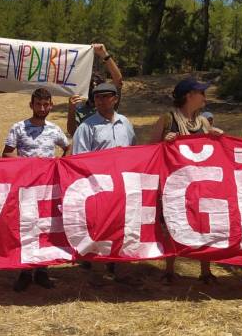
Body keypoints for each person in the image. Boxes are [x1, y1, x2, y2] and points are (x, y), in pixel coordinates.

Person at [148, 77, 223, 285]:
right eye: (201, 93)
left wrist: (219, 139)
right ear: (189, 96)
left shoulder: (204, 122)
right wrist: (164, 143)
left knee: (204, 223)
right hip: (175, 184)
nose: (205, 97)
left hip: (201, 184)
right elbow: (150, 150)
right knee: (173, 223)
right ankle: (169, 269)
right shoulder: (167, 119)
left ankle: (205, 270)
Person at [2, 87, 69, 292]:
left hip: (48, 189)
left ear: (50, 105)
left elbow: (68, 147)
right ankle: (24, 272)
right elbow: (6, 154)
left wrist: (61, 165)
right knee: (26, 227)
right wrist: (27, 165)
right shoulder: (19, 128)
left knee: (45, 228)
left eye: (45, 104)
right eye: (38, 104)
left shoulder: (54, 129)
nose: (42, 108)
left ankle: (42, 271)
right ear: (31, 105)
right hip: (26, 188)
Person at [71, 83, 136, 281]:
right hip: (98, 185)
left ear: (115, 99)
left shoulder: (125, 123)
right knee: (96, 223)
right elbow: (79, 158)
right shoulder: (86, 127)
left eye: (106, 96)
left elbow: (133, 150)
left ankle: (112, 262)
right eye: (98, 97)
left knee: (118, 221)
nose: (101, 100)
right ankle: (89, 258)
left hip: (122, 183)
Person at [66, 43, 124, 136]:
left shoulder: (109, 105)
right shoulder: (80, 110)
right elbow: (72, 132)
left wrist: (104, 55)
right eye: (91, 86)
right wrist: (71, 110)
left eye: (98, 86)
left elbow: (118, 81)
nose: (94, 88)